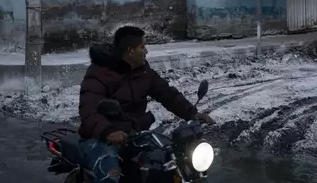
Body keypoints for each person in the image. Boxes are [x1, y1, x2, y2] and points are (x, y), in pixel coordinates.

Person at [77, 26, 215, 182]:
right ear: (130, 50)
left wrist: (192, 113)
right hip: (102, 138)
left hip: (134, 135)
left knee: (168, 160)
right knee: (110, 173)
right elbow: (89, 110)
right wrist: (108, 131)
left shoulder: (142, 70)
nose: (146, 51)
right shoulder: (99, 73)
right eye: (143, 47)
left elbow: (166, 93)